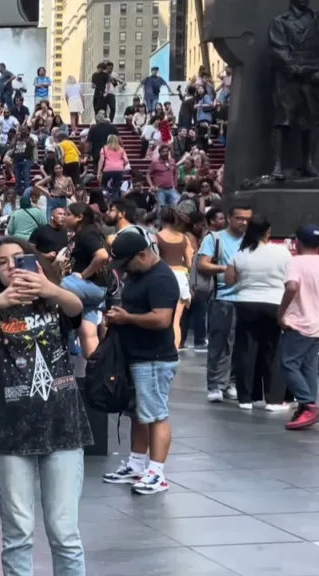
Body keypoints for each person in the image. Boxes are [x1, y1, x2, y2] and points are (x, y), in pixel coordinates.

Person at [0, 238, 88, 576]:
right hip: (11, 429)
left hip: (62, 425)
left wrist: (48, 288)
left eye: (18, 259)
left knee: (64, 532)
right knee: (17, 534)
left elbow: (76, 310)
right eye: (2, 262)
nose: (11, 266)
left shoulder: (53, 300)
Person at [102, 230, 181, 495]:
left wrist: (127, 319)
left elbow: (161, 319)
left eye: (127, 262)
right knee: (138, 413)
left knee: (156, 413)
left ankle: (157, 472)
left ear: (143, 254)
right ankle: (137, 463)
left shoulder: (161, 279)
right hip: (136, 355)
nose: (124, 269)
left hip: (155, 358)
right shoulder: (138, 274)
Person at [277, 225, 319, 430]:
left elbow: (291, 287)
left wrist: (281, 313)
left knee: (288, 364)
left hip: (298, 322)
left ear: (297, 242)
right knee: (309, 367)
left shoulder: (295, 262)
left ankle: (308, 404)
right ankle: (308, 406)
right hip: (318, 323)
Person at [224, 215, 291, 410]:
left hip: (246, 303)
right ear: (268, 232)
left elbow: (229, 281)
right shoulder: (282, 252)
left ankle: (246, 398)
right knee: (273, 350)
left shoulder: (240, 254)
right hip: (274, 303)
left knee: (245, 350)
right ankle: (274, 399)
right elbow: (290, 279)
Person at [198, 204, 251, 402]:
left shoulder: (250, 240)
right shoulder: (215, 238)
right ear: (229, 218)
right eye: (239, 218)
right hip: (221, 298)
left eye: (247, 219)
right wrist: (226, 269)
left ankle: (230, 383)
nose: (243, 222)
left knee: (239, 345)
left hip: (246, 299)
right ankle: (214, 384)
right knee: (218, 344)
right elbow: (203, 264)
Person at [59, 203, 110, 356]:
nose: (63, 217)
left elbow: (102, 256)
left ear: (79, 217)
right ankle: (95, 372)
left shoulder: (87, 233)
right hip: (90, 291)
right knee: (88, 334)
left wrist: (83, 274)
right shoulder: (83, 234)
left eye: (67, 214)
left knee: (48, 285)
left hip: (89, 284)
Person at [156, 208, 195, 349]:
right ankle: (175, 351)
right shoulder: (184, 238)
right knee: (176, 321)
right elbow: (189, 262)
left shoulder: (156, 237)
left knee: (162, 318)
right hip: (181, 276)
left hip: (163, 278)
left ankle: (162, 350)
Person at [97, 135, 130, 200]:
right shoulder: (121, 149)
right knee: (116, 188)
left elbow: (101, 160)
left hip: (108, 169)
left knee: (104, 186)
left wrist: (99, 171)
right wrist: (121, 165)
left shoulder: (104, 148)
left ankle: (105, 201)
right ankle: (115, 204)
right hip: (119, 170)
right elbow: (126, 161)